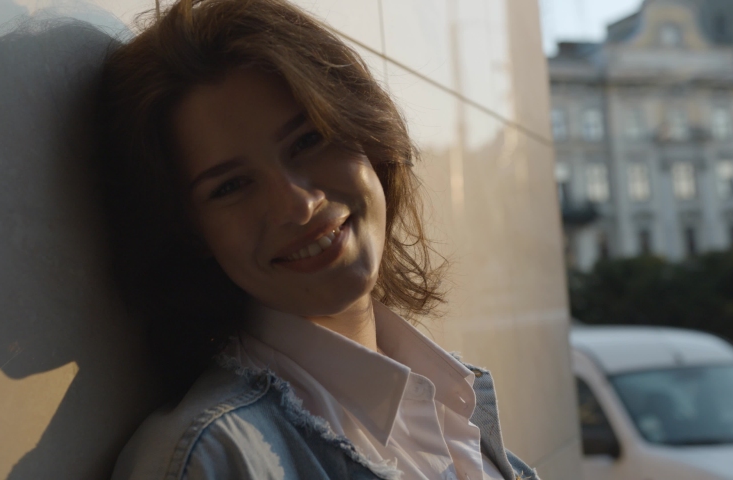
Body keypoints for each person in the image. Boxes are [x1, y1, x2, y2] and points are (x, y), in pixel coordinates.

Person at [98, 0, 539, 478]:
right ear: (189, 231)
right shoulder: (214, 459)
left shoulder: (451, 396)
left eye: (308, 141)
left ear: (364, 132)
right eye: (230, 186)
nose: (298, 205)